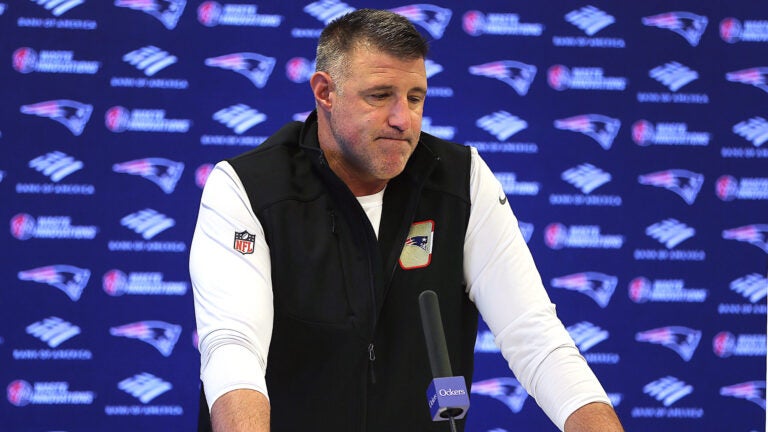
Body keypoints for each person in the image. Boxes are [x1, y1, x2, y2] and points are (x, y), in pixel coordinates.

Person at [190, 8, 624, 432]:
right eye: (380, 96)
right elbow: (233, 348)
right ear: (325, 91)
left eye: (415, 98)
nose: (403, 120)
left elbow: (535, 336)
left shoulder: (461, 180)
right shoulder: (248, 187)